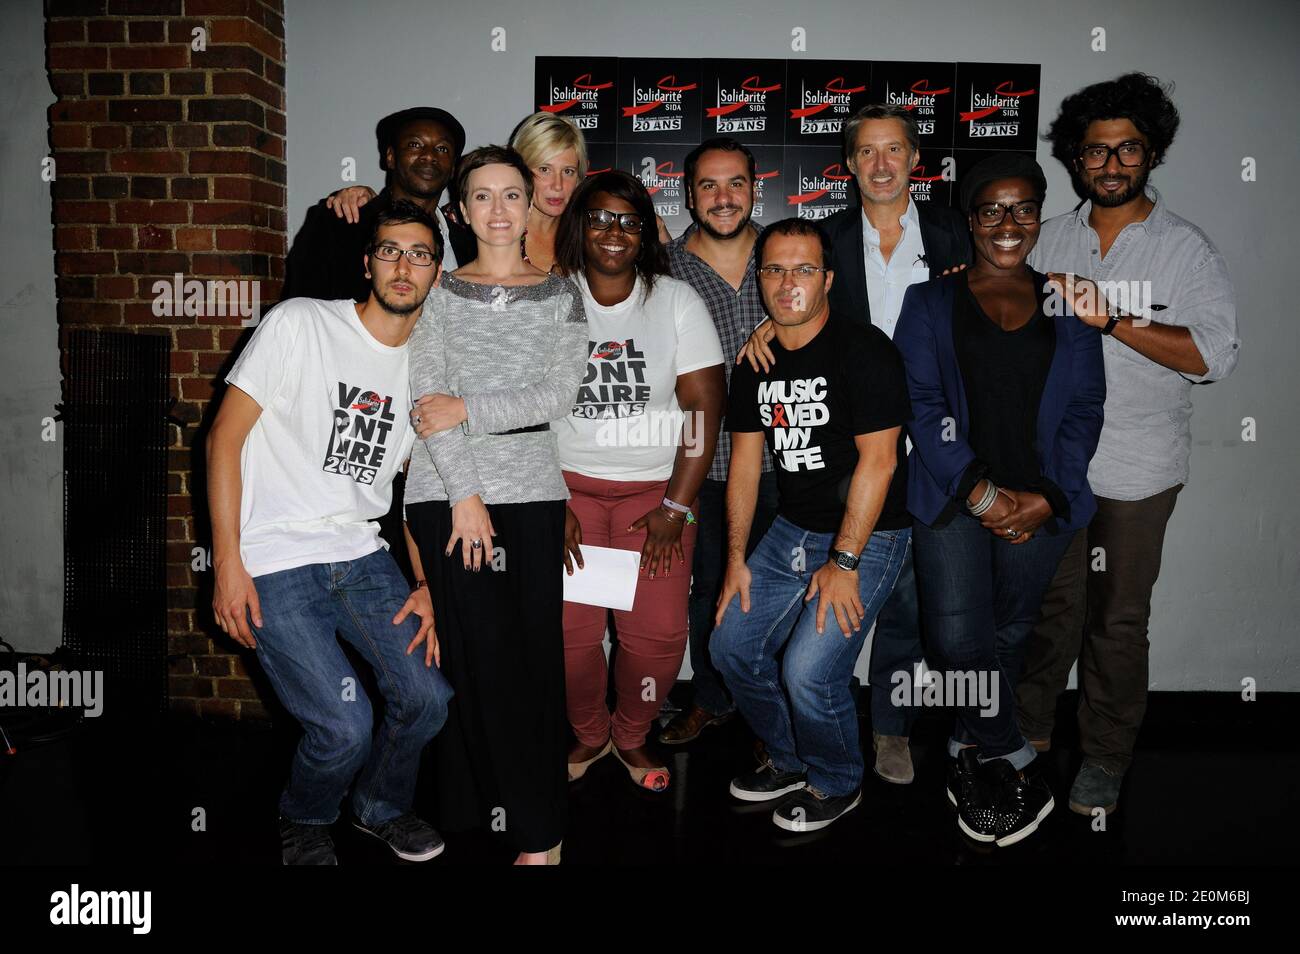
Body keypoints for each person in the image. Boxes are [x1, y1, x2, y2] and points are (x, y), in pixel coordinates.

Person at [1016, 73, 1240, 816]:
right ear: (1075, 160)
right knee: (1049, 612)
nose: (1110, 166)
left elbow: (1212, 358)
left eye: (1127, 152)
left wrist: (1112, 319)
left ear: (1151, 155)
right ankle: (1027, 741)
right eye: (1095, 153)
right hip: (1056, 470)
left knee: (1115, 620)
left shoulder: (1184, 249)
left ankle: (1106, 756)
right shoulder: (1050, 237)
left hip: (1138, 474)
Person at [206, 200, 453, 865]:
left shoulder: (428, 371)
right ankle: (306, 816)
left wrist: (425, 584)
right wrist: (228, 564)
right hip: (273, 557)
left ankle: (379, 807)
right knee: (344, 726)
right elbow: (223, 440)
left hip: (360, 553)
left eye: (421, 254)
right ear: (367, 261)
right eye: (390, 251)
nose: (405, 266)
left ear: (436, 272)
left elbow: (410, 495)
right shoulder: (300, 323)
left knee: (428, 698)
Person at [737, 105, 971, 784]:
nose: (880, 163)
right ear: (849, 163)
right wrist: (765, 334)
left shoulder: (956, 234)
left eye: (893, 149)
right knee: (820, 610)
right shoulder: (830, 238)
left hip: (937, 439)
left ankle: (891, 729)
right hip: (850, 447)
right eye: (866, 151)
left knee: (909, 603)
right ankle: (809, 726)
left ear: (914, 158)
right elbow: (794, 298)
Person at [893, 153, 1105, 846]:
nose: (1008, 225)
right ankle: (1014, 753)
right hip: (956, 500)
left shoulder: (1066, 302)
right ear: (970, 218)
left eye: (1022, 209)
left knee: (1010, 634)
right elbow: (920, 407)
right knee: (956, 638)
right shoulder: (929, 301)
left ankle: (969, 744)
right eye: (992, 210)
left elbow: (1086, 409)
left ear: (1039, 215)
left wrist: (1046, 496)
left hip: (1042, 505)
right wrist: (984, 495)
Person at [403, 145, 588, 865]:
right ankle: (476, 809)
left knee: (529, 665)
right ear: (461, 210)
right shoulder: (437, 294)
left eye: (513, 193)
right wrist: (467, 497)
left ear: (533, 199)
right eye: (482, 196)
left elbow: (558, 396)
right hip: (449, 495)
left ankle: (541, 830)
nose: (500, 209)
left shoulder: (563, 293)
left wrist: (468, 409)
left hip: (535, 498)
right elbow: (427, 407)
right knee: (471, 662)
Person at [712, 218, 913, 833]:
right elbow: (745, 466)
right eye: (774, 269)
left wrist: (845, 562)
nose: (787, 282)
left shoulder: (865, 350)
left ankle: (836, 779)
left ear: (827, 279)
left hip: (870, 534)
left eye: (803, 269)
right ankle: (790, 757)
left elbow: (879, 463)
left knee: (808, 669)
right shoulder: (755, 362)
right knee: (730, 646)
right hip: (792, 530)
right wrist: (735, 561)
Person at [553, 170, 724, 791]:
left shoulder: (674, 301)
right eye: (599, 218)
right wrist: (550, 500)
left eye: (628, 220)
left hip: (654, 498)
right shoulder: (550, 298)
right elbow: (520, 410)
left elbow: (703, 412)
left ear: (646, 230)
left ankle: (630, 737)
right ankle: (591, 733)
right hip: (567, 489)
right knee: (571, 638)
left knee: (654, 639)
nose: (613, 231)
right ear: (579, 226)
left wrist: (676, 507)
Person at [657, 138, 780, 746]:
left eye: (735, 183)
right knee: (707, 590)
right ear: (689, 194)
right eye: (709, 185)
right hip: (701, 463)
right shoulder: (663, 265)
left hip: (788, 460)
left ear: (755, 186)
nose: (724, 197)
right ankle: (709, 697)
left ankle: (771, 711)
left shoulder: (788, 256)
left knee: (779, 593)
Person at [285, 106, 474, 300]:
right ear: (391, 157)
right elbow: (303, 309)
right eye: (415, 145)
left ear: (452, 169)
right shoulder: (341, 222)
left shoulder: (470, 246)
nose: (429, 155)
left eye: (442, 149)